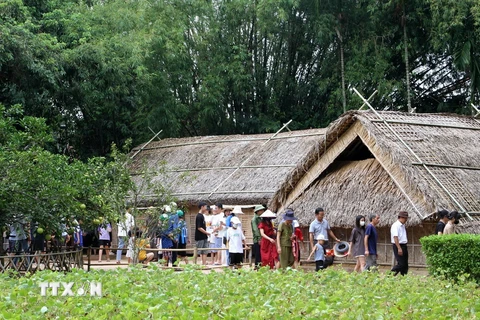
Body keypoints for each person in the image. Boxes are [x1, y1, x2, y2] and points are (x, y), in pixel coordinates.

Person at [391, 211, 409, 276]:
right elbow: (395, 237)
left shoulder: (403, 225)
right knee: (401, 264)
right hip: (398, 245)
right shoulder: (395, 225)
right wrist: (399, 248)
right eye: (405, 218)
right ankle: (390, 275)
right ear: (401, 217)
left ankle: (403, 277)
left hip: (404, 245)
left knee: (405, 264)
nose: (406, 220)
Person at [251, 205, 265, 269]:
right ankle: (257, 267)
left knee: (261, 253)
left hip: (262, 238)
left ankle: (260, 266)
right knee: (258, 254)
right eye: (261, 210)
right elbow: (255, 229)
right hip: (257, 239)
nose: (263, 211)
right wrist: (259, 238)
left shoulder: (261, 218)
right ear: (258, 211)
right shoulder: (254, 219)